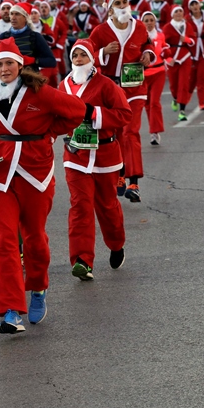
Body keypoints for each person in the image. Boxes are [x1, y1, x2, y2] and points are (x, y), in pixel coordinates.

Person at [0, 38, 85, 333]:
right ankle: (11, 310)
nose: (4, 68)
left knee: (34, 236)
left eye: (9, 62)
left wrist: (48, 131)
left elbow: (76, 111)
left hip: (35, 170)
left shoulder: (40, 91)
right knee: (2, 240)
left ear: (21, 65)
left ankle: (37, 287)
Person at [59, 39, 131, 281]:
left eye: (83, 55)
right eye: (75, 56)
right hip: (75, 156)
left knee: (107, 206)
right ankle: (82, 260)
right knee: (80, 206)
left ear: (91, 59)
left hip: (104, 155)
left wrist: (93, 113)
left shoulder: (106, 85)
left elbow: (124, 115)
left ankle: (116, 243)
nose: (78, 59)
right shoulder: (63, 86)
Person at [90, 0, 154, 203]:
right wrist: (103, 53)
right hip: (110, 88)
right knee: (115, 134)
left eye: (125, 2)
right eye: (118, 3)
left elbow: (148, 44)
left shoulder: (139, 27)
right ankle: (119, 175)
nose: (123, 5)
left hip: (135, 86)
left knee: (131, 131)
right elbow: (85, 55)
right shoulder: (100, 31)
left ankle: (134, 181)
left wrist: (148, 54)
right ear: (110, 9)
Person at [162, 6, 197, 122]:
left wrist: (186, 39)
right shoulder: (167, 27)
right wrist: (167, 58)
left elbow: (193, 41)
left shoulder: (188, 26)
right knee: (173, 84)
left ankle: (182, 110)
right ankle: (175, 98)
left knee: (184, 83)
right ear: (172, 14)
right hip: (172, 59)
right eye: (176, 11)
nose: (178, 13)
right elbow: (163, 45)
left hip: (185, 57)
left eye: (180, 11)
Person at [0, 2, 57, 70]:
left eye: (17, 14)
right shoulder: (3, 37)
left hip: (30, 78)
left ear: (25, 18)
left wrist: (33, 60)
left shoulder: (35, 37)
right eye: (11, 14)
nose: (13, 18)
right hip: (9, 78)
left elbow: (51, 61)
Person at [141, 11, 167, 145]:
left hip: (158, 72)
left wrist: (169, 57)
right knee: (147, 103)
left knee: (154, 102)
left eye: (151, 20)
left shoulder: (160, 35)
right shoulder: (138, 37)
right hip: (143, 74)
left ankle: (155, 132)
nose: (149, 23)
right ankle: (153, 131)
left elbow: (166, 49)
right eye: (146, 20)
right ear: (142, 22)